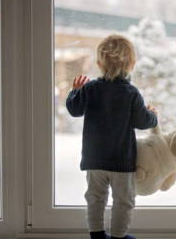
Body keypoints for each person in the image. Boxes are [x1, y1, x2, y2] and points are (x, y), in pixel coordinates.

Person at [66, 34, 158, 239]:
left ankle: (97, 234)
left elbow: (74, 110)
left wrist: (75, 92)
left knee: (95, 197)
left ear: (99, 63)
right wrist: (153, 117)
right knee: (123, 200)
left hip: (94, 160)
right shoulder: (131, 93)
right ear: (132, 65)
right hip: (121, 161)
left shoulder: (89, 89)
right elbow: (142, 122)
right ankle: (118, 236)